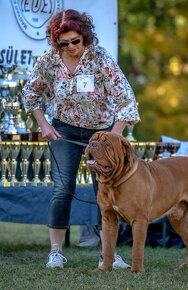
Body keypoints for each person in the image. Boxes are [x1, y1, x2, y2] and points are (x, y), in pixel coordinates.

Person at [23, 9, 140, 269]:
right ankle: (55, 252)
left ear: (85, 37)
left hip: (101, 132)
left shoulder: (100, 59)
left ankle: (108, 254)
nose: (71, 47)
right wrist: (43, 124)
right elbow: (30, 94)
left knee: (107, 192)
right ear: (56, 42)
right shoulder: (48, 61)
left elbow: (126, 100)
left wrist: (113, 137)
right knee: (62, 189)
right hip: (64, 130)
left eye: (75, 40)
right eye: (64, 43)